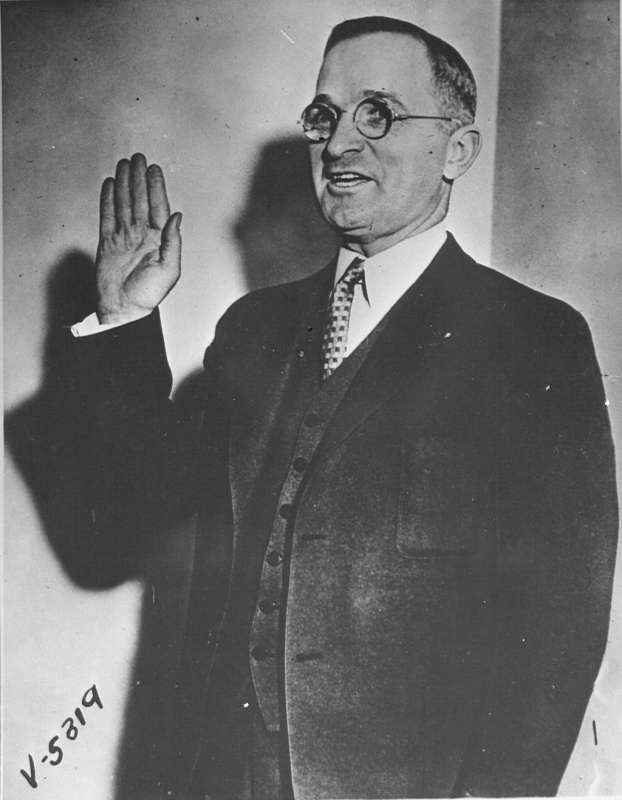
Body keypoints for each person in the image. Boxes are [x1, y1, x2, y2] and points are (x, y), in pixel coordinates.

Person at [49, 15, 617, 800]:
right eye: (325, 115)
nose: (341, 142)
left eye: (377, 112)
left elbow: (562, 607)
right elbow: (128, 525)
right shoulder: (252, 331)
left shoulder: (533, 339)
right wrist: (125, 321)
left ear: (456, 149)